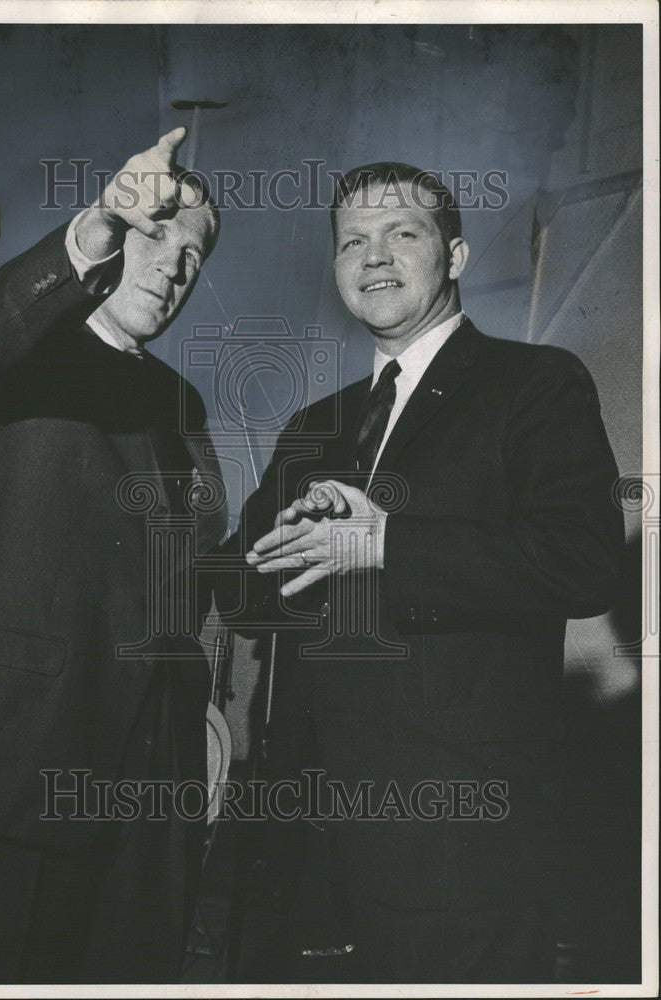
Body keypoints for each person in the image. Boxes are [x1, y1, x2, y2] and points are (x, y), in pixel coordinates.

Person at [219, 162, 624, 983]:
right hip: (304, 841)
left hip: (459, 842)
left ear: (458, 256)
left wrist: (387, 544)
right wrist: (276, 549)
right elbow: (242, 597)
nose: (374, 257)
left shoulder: (535, 385)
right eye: (352, 242)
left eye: (403, 232)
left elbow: (585, 565)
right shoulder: (314, 425)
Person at [0, 127, 226, 984]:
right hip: (17, 777)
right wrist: (97, 223)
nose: (172, 267)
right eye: (155, 236)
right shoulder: (16, 355)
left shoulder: (178, 401)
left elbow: (186, 566)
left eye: (193, 256)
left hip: (150, 800)